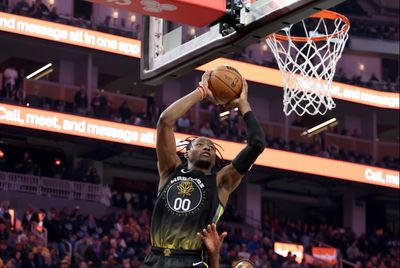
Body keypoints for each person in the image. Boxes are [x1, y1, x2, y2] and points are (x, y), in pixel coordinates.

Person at [144, 70, 265, 267]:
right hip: (155, 259)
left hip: (191, 261)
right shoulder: (169, 170)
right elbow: (165, 121)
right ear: (186, 153)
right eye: (200, 144)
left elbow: (257, 144)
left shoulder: (221, 181)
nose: (207, 147)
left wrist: (243, 105)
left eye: (211, 146)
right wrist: (201, 92)